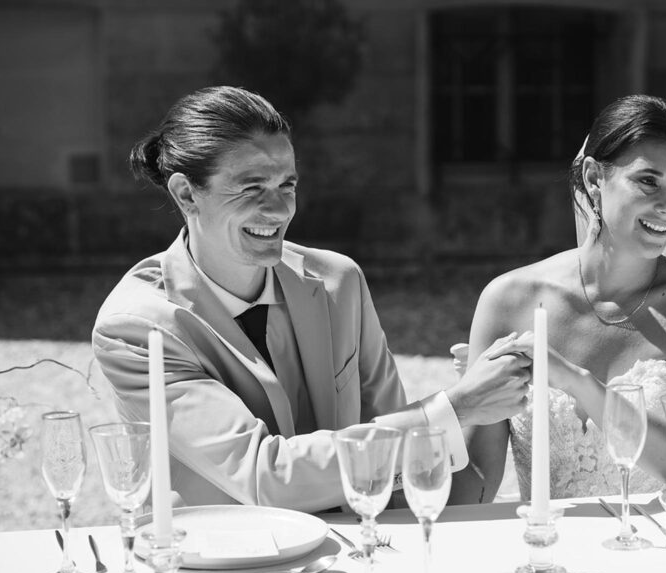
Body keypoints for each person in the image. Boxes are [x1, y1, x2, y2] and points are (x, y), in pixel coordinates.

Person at [93, 85, 531, 513]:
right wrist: (454, 407)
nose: (280, 209)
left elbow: (398, 467)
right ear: (186, 194)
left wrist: (486, 407)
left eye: (287, 185)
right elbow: (266, 476)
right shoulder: (135, 327)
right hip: (213, 572)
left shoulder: (340, 282)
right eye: (251, 188)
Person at [451, 94, 666, 504]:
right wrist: (457, 408)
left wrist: (574, 381)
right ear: (593, 178)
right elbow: (478, 484)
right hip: (547, 551)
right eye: (648, 181)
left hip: (660, 549)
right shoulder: (508, 300)